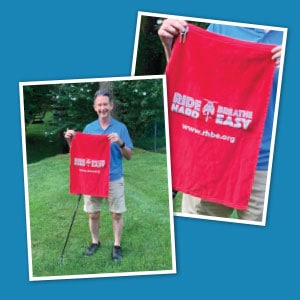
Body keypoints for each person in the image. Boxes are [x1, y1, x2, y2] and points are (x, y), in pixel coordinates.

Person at [158, 19, 283, 221]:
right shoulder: (223, 26)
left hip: (265, 167)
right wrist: (170, 46)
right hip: (212, 160)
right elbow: (192, 84)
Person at [64, 89, 133, 260]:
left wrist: (120, 142)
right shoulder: (89, 128)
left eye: (105, 104)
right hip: (93, 178)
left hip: (113, 178)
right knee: (93, 213)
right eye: (99, 105)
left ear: (111, 106)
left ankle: (117, 245)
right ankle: (95, 241)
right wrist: (70, 140)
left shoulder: (120, 128)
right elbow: (79, 153)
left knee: (116, 214)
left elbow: (129, 156)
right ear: (95, 107)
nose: (103, 108)